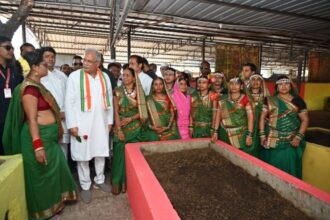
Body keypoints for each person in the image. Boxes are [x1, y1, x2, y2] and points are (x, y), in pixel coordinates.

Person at [3, 50, 77, 219]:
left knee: (55, 170)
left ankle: (56, 204)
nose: (47, 66)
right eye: (44, 64)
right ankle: (44, 212)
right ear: (35, 68)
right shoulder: (30, 90)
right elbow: (32, 120)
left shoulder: (38, 85)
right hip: (37, 139)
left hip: (48, 138)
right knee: (41, 177)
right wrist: (38, 147)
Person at [65, 48, 113, 203]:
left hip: (101, 122)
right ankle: (85, 186)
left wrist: (110, 121)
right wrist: (72, 124)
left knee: (100, 152)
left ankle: (100, 180)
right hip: (81, 123)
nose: (84, 63)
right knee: (83, 155)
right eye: (84, 60)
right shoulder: (74, 77)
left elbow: (109, 101)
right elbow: (69, 102)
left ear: (97, 63)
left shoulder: (104, 77)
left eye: (89, 61)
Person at [259, 75, 308, 179]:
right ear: (276, 87)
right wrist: (262, 136)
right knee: (271, 168)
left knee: (289, 169)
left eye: (286, 83)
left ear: (290, 86)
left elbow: (305, 120)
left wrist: (298, 137)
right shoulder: (269, 100)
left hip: (290, 141)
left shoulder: (298, 101)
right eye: (280, 84)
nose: (283, 86)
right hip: (272, 139)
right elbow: (262, 118)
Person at [111, 67, 150, 194]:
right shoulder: (117, 91)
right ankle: (118, 183)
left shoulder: (140, 92)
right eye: (124, 75)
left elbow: (143, 111)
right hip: (121, 127)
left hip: (136, 128)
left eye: (128, 75)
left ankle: (132, 184)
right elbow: (115, 112)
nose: (124, 77)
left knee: (133, 157)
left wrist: (130, 119)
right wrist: (119, 129)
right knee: (119, 156)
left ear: (134, 78)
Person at [40, 47, 70, 158]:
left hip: (63, 117)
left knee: (63, 150)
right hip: (47, 118)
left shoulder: (62, 76)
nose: (50, 59)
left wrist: (65, 112)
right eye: (47, 56)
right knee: (48, 149)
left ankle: (63, 173)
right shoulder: (39, 76)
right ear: (41, 58)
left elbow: (69, 96)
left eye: (52, 57)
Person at [0, 36, 24, 155]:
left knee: (12, 153)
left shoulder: (15, 70)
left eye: (12, 48)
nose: (11, 51)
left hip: (13, 118)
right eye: (7, 47)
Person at [217, 77, 254, 152]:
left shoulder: (245, 99)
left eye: (236, 84)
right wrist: (215, 131)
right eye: (231, 84)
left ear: (241, 86)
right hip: (224, 132)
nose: (234, 86)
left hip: (240, 133)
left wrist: (249, 135)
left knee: (239, 155)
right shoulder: (223, 99)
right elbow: (218, 115)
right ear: (228, 86)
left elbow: (250, 118)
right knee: (224, 154)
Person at [246, 73, 269, 157]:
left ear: (262, 82)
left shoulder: (266, 97)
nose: (255, 82)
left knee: (260, 147)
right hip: (247, 125)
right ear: (249, 82)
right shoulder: (244, 95)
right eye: (253, 79)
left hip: (262, 126)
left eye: (258, 79)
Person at [190, 76, 218, 140]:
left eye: (204, 82)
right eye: (199, 82)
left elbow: (215, 113)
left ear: (209, 85)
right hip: (196, 127)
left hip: (208, 127)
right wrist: (190, 126)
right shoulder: (194, 95)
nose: (201, 84)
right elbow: (191, 111)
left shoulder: (213, 95)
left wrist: (213, 128)